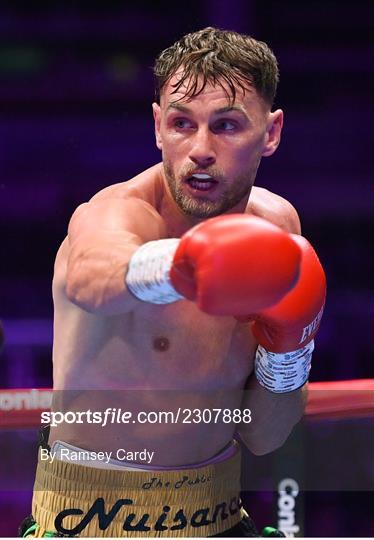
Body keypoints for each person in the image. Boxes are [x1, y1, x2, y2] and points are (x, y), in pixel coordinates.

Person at [21, 27, 326, 538]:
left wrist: (288, 354)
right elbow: (92, 275)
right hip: (90, 525)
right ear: (159, 125)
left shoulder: (279, 229)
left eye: (227, 126)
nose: (200, 149)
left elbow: (263, 436)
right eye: (183, 123)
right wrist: (185, 266)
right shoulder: (118, 212)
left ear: (270, 133)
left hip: (219, 520)